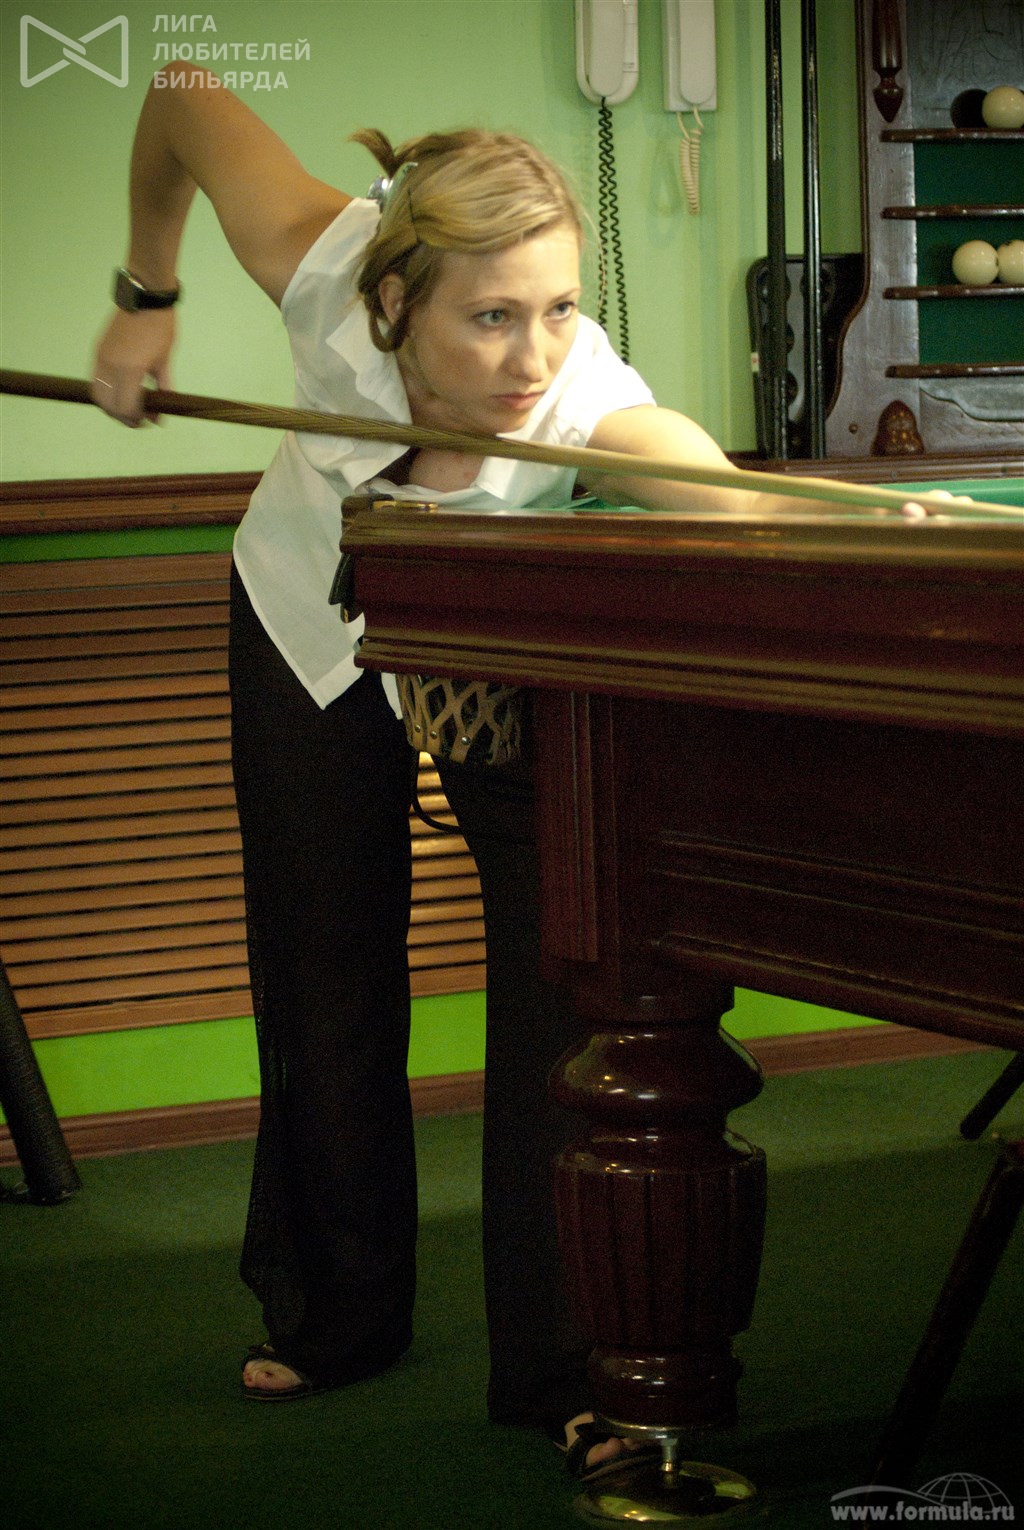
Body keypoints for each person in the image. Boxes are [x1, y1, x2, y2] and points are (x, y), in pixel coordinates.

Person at [90, 67, 812, 1479]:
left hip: (505, 644)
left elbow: (694, 473)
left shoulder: (580, 402)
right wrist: (146, 297)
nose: (535, 351)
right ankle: (339, 1308)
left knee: (561, 982)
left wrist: (844, 522)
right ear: (393, 302)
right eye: (490, 317)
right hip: (311, 605)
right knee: (322, 952)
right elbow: (178, 96)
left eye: (559, 306)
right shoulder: (323, 260)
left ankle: (571, 1366)